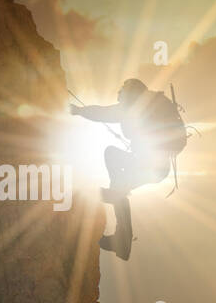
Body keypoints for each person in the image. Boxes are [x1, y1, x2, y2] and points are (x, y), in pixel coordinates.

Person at [69, 78, 184, 259]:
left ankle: (121, 235)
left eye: (122, 91)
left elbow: (103, 113)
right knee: (116, 172)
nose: (119, 95)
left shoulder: (133, 106)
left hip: (148, 164)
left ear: (130, 92)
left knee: (113, 162)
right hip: (158, 168)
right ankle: (121, 237)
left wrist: (77, 111)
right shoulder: (151, 104)